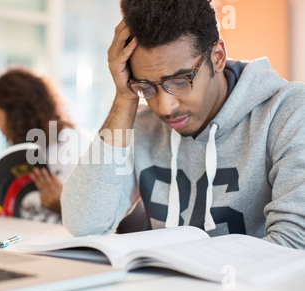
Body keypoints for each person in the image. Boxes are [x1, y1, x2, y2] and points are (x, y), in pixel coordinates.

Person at [61, 0, 305, 249]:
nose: (165, 108)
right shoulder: (140, 125)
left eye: (179, 81)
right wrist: (125, 97)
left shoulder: (288, 111)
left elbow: (294, 245)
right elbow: (84, 225)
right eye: (146, 86)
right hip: (164, 286)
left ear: (218, 56)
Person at [0, 67, 90, 224]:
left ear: (17, 117)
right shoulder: (24, 150)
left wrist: (62, 206)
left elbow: (98, 220)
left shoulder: (74, 146)